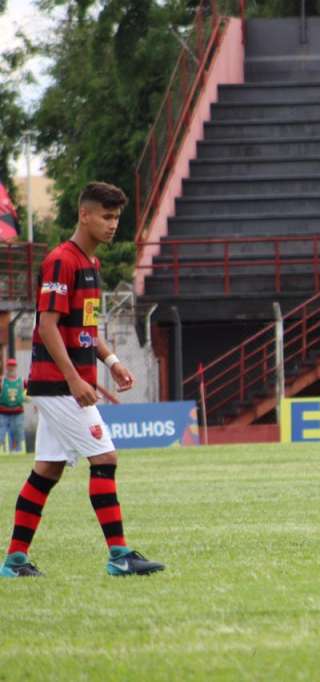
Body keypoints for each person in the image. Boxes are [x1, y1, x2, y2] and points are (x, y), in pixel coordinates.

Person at [1, 182, 165, 578]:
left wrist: (111, 361)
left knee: (47, 471)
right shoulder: (62, 261)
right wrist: (75, 379)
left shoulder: (90, 264)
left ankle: (15, 560)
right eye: (106, 217)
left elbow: (85, 326)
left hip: (66, 381)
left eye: (116, 219)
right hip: (58, 384)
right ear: (84, 215)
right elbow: (48, 326)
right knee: (105, 458)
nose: (112, 226)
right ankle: (120, 555)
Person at [0, 359, 27, 452]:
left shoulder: (22, 381)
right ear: (6, 367)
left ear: (16, 367)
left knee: (18, 432)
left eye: (13, 366)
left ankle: (17, 450)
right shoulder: (2, 380)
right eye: (9, 366)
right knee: (1, 432)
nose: (11, 368)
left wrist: (29, 399)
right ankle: (2, 451)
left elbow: (29, 392)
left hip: (18, 412)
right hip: (3, 411)